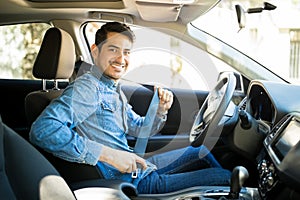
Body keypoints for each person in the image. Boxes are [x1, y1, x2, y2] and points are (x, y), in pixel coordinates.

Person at [29, 22, 231, 194]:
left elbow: (140, 129)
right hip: (128, 181)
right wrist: (109, 155)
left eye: (126, 52)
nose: (121, 59)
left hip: (137, 167)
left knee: (201, 151)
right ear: (95, 51)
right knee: (226, 178)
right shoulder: (88, 88)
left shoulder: (110, 88)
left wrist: (160, 110)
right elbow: (43, 131)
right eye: (113, 49)